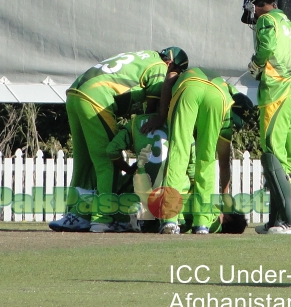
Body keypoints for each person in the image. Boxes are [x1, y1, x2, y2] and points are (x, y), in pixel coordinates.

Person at [49, 47, 189, 234]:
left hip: (75, 92)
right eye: (176, 73)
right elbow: (153, 104)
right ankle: (104, 219)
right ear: (171, 64)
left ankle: (75, 215)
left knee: (84, 163)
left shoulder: (145, 56)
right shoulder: (159, 67)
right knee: (107, 163)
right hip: (96, 99)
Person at [241, 0, 291, 234]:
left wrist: (256, 64)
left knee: (272, 153)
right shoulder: (287, 21)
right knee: (287, 158)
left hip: (277, 91)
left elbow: (267, 46)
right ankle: (278, 219)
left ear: (256, 5)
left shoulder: (266, 20)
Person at [153, 67, 241, 235]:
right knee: (207, 159)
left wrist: (161, 114)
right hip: (218, 98)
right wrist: (224, 198)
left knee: (179, 152)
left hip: (190, 87)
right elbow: (223, 164)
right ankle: (202, 223)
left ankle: (170, 220)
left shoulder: (186, 72)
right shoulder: (228, 106)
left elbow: (171, 76)